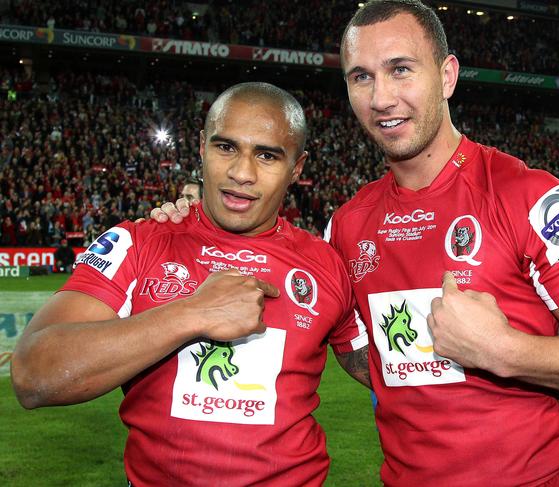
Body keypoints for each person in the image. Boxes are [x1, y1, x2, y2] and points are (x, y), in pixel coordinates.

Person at [152, 2, 559, 485]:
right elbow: (353, 345)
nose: (381, 98)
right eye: (361, 76)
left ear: (448, 76)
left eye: (401, 70)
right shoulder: (347, 226)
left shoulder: (524, 193)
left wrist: (506, 352)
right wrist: (186, 224)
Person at [11, 82, 370, 486]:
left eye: (267, 155)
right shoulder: (139, 242)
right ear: (202, 147)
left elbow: (394, 372)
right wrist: (192, 313)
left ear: (297, 168)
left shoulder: (326, 264)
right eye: (226, 147)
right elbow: (33, 376)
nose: (241, 173)